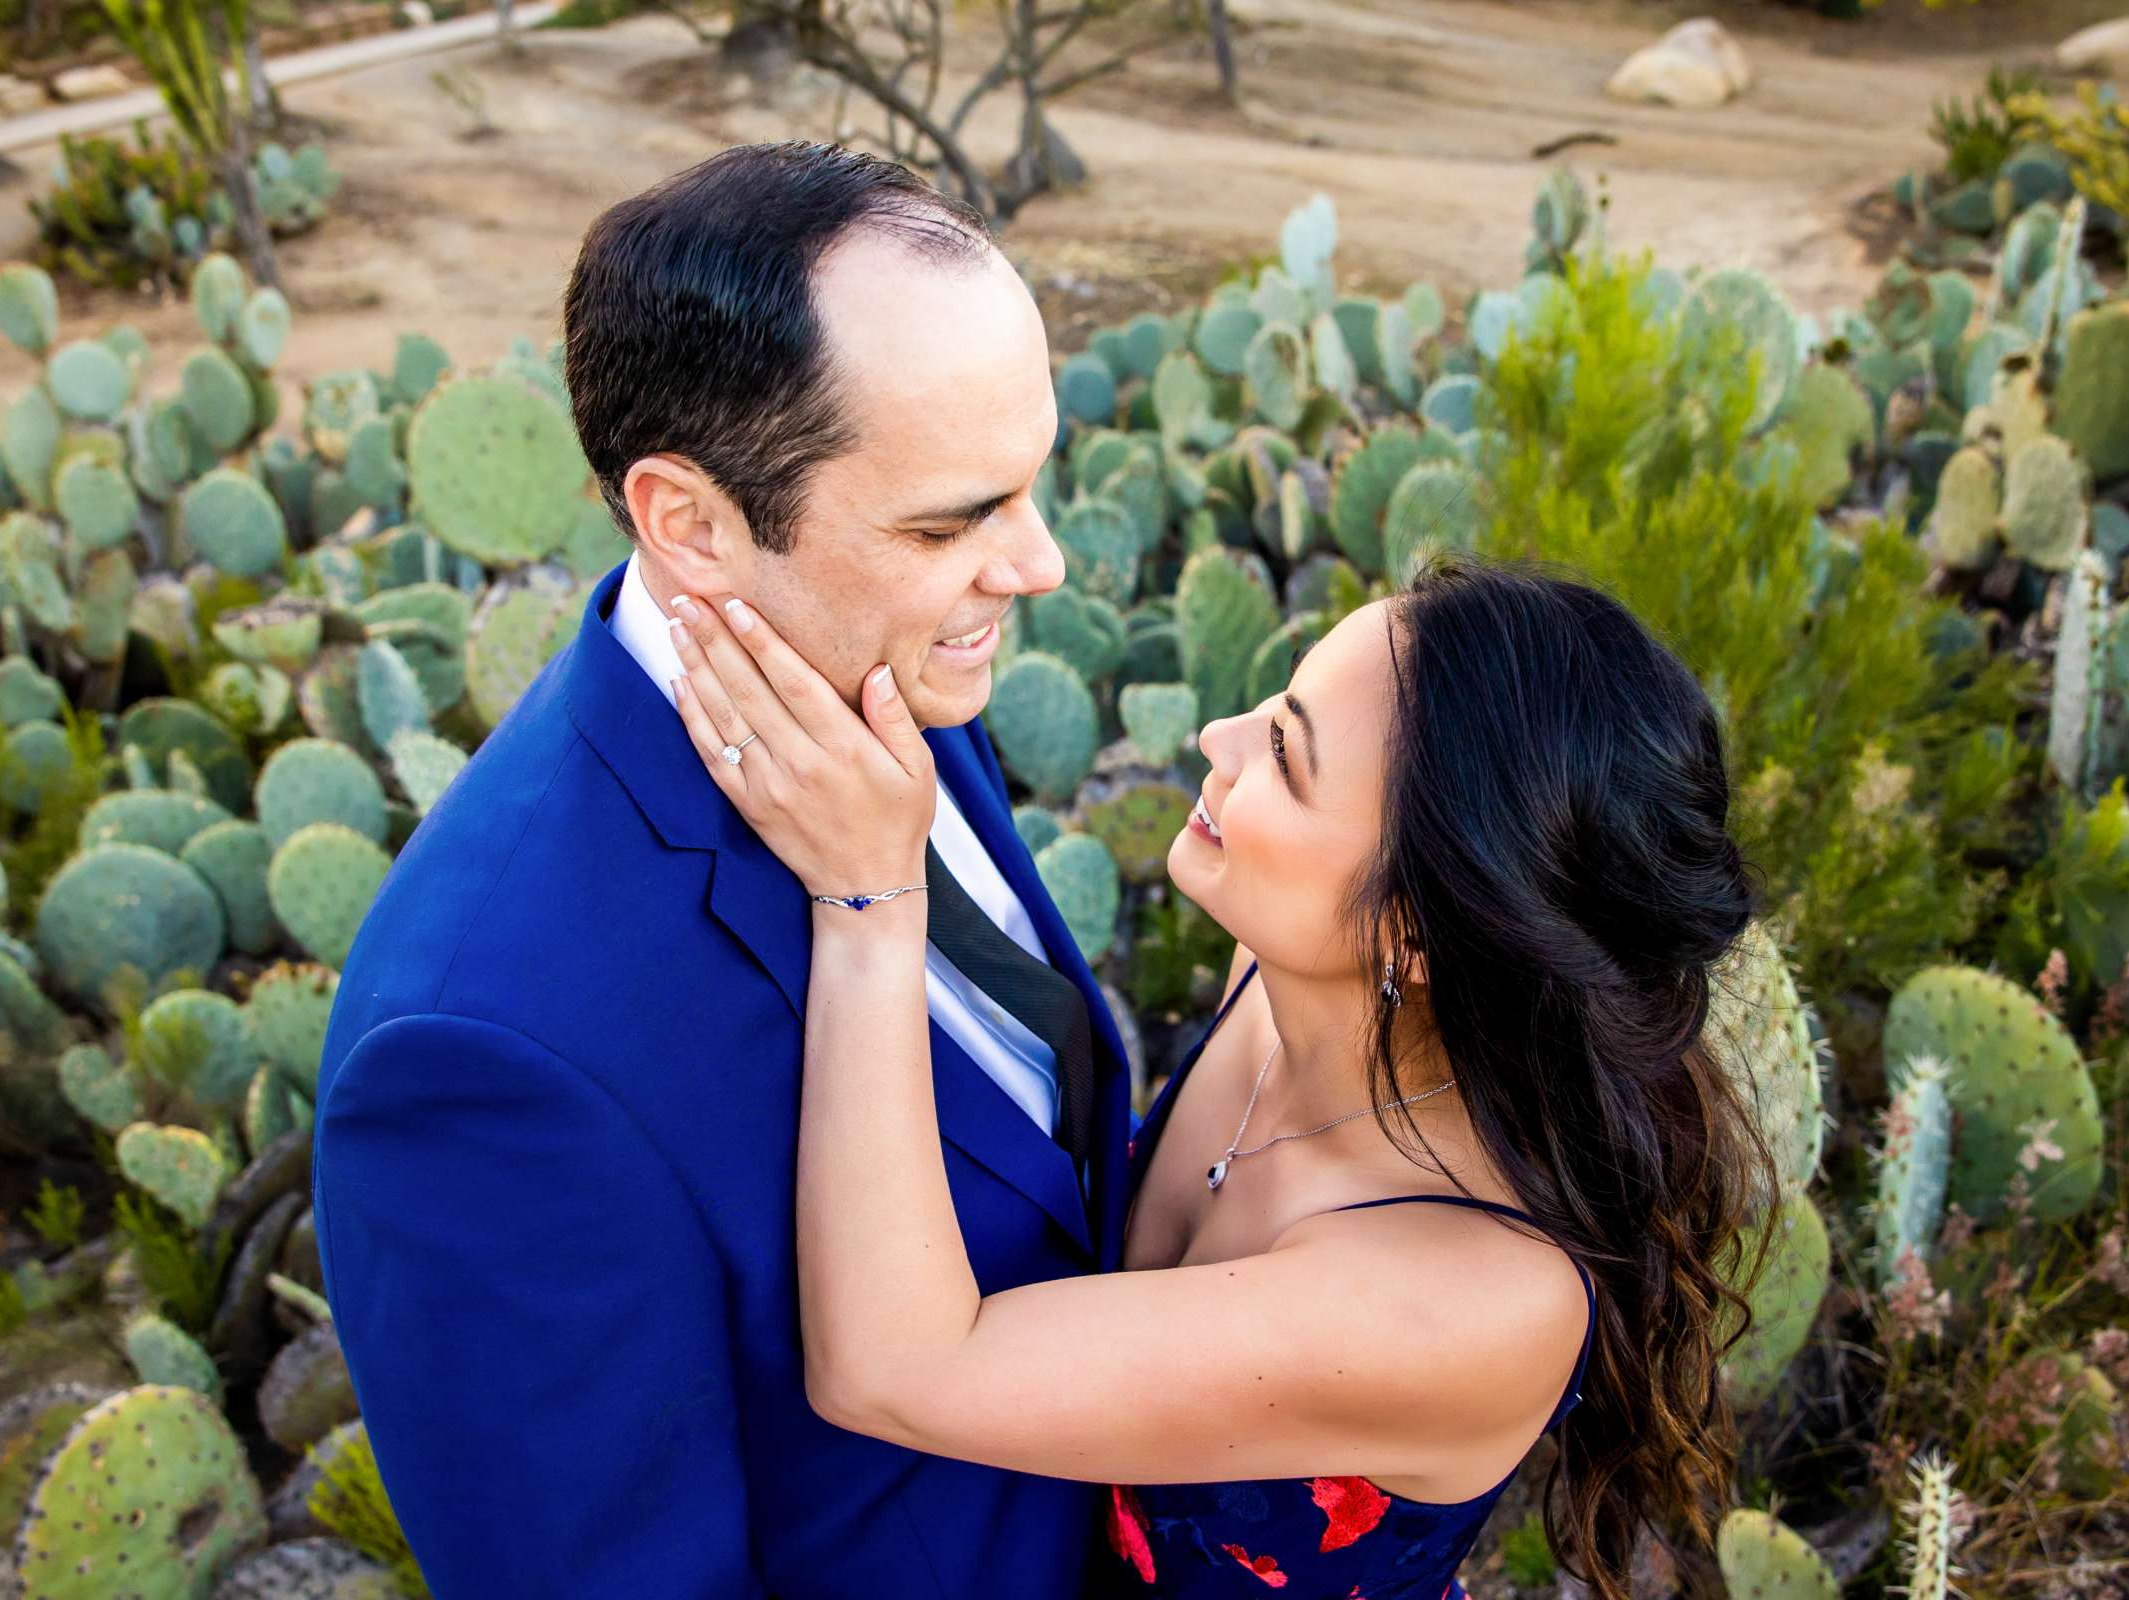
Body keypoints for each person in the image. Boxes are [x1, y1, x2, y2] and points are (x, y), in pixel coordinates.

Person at [312, 141, 1134, 1598]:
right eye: (952, 521)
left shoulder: (869, 663)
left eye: (1030, 486)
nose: (1040, 563)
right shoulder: (480, 1058)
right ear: (689, 525)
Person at [658, 552, 1780, 1600]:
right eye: (1276, 701)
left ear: (1412, 937)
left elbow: (891, 1371)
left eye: (1283, 758)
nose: (1217, 734)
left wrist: (868, 902)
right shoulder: (1295, 953)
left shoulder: (1464, 1301)